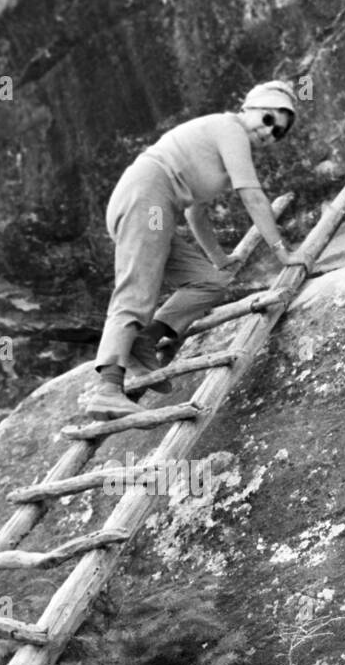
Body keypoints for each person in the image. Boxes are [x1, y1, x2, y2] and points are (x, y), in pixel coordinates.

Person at [86, 79, 310, 417]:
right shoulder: (229, 128)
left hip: (158, 211)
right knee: (139, 287)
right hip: (148, 196)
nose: (269, 133)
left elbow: (196, 211)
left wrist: (220, 259)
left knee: (209, 281)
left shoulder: (222, 147)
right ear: (249, 108)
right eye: (268, 120)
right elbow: (251, 195)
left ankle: (145, 341)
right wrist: (283, 252)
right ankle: (108, 386)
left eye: (278, 132)